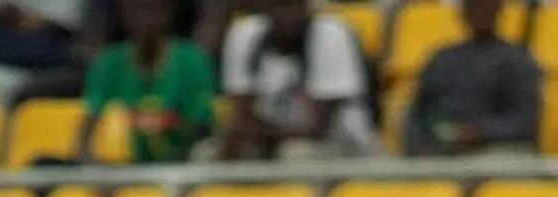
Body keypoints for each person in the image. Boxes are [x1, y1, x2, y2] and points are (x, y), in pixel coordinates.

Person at [217, 0, 372, 161]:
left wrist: (256, 134)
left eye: (295, 6)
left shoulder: (331, 33)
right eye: (280, 5)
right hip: (272, 136)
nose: (288, 15)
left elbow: (318, 129)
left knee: (294, 154)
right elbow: (241, 112)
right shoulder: (245, 34)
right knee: (207, 153)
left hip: (342, 145)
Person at [76, 0, 211, 163]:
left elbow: (201, 126)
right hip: (120, 169)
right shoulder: (107, 63)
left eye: (153, 9)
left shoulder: (193, 61)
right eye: (137, 10)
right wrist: (94, 167)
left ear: (168, 11)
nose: (145, 19)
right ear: (124, 12)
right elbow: (87, 129)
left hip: (181, 167)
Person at [402, 0, 540, 159]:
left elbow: (524, 122)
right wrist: (419, 147)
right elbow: (417, 114)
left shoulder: (517, 60)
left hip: (497, 152)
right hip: (441, 154)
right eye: (473, 5)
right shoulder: (442, 58)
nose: (480, 12)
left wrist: (479, 132)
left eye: (486, 5)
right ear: (462, 11)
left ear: (499, 9)